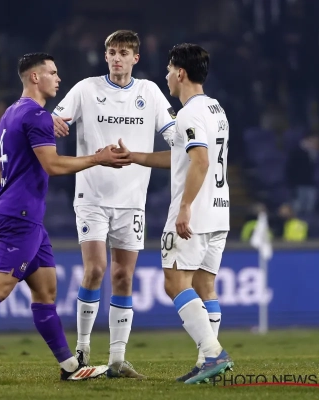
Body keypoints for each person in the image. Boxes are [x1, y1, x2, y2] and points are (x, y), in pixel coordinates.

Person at [0, 53, 131, 383]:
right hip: (21, 215)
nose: (58, 78)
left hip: (22, 216)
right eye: (52, 73)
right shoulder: (37, 116)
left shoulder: (9, 114)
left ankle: (70, 367)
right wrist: (97, 158)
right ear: (34, 77)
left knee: (45, 292)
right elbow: (53, 165)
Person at [51, 30, 176, 378]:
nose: (117, 58)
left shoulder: (149, 92)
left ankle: (117, 360)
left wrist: (188, 140)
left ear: (136, 58)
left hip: (132, 200)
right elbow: (53, 119)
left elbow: (175, 135)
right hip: (91, 196)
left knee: (123, 276)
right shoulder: (86, 89)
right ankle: (82, 350)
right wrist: (52, 120)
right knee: (95, 269)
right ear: (105, 56)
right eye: (112, 52)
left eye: (123, 52)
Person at [118, 43, 234, 384]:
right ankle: (206, 363)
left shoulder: (188, 114)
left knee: (174, 283)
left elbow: (200, 161)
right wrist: (136, 157)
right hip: (220, 211)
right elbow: (183, 157)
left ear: (180, 73)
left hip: (195, 213)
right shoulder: (215, 109)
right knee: (205, 285)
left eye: (169, 70)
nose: (166, 76)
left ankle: (212, 353)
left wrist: (184, 207)